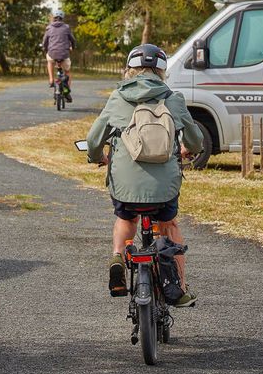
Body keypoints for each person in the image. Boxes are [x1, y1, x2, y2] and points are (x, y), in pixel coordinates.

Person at [86, 44, 203, 307]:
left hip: (126, 185)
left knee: (126, 219)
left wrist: (97, 157)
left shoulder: (118, 98)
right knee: (169, 225)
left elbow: (93, 140)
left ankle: (118, 257)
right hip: (164, 188)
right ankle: (179, 287)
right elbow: (195, 140)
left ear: (130, 69)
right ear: (162, 71)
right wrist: (189, 149)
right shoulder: (174, 99)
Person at [42, 9, 75, 101]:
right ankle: (67, 92)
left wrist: (45, 49)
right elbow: (72, 40)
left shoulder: (49, 28)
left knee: (49, 61)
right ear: (62, 18)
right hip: (64, 54)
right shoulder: (66, 28)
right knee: (67, 72)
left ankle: (51, 80)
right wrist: (72, 47)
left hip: (52, 53)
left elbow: (45, 42)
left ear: (54, 18)